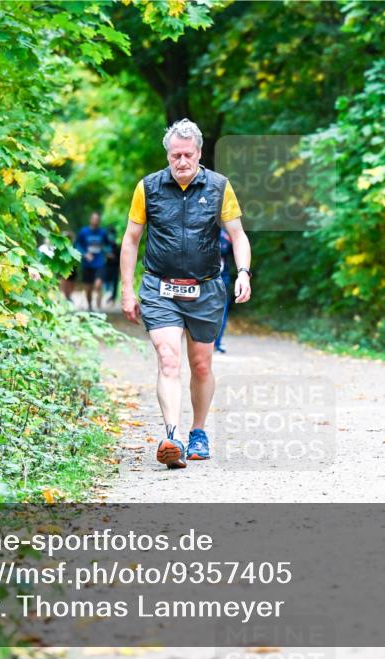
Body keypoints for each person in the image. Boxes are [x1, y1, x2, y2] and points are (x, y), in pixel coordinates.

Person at [120, 119, 252, 469]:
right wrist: (127, 290)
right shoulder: (147, 188)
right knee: (168, 358)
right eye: (175, 155)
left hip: (206, 288)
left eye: (187, 155)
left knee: (201, 364)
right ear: (168, 155)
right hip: (159, 288)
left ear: (199, 153)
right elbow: (131, 239)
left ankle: (198, 432)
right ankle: (172, 436)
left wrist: (244, 274)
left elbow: (238, 235)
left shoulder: (220, 187)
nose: (181, 161)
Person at [75, 212, 109, 311]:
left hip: (99, 263)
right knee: (88, 289)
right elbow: (77, 245)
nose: (95, 221)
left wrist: (107, 252)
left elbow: (107, 245)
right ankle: (90, 306)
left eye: (97, 219)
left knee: (98, 284)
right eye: (93, 219)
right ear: (90, 220)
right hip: (87, 264)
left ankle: (99, 307)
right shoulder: (83, 232)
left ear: (99, 221)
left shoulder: (102, 232)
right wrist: (85, 254)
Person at [214, 228, 233, 353]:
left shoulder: (225, 234)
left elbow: (229, 249)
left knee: (222, 310)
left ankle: (217, 343)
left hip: (221, 278)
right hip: (198, 278)